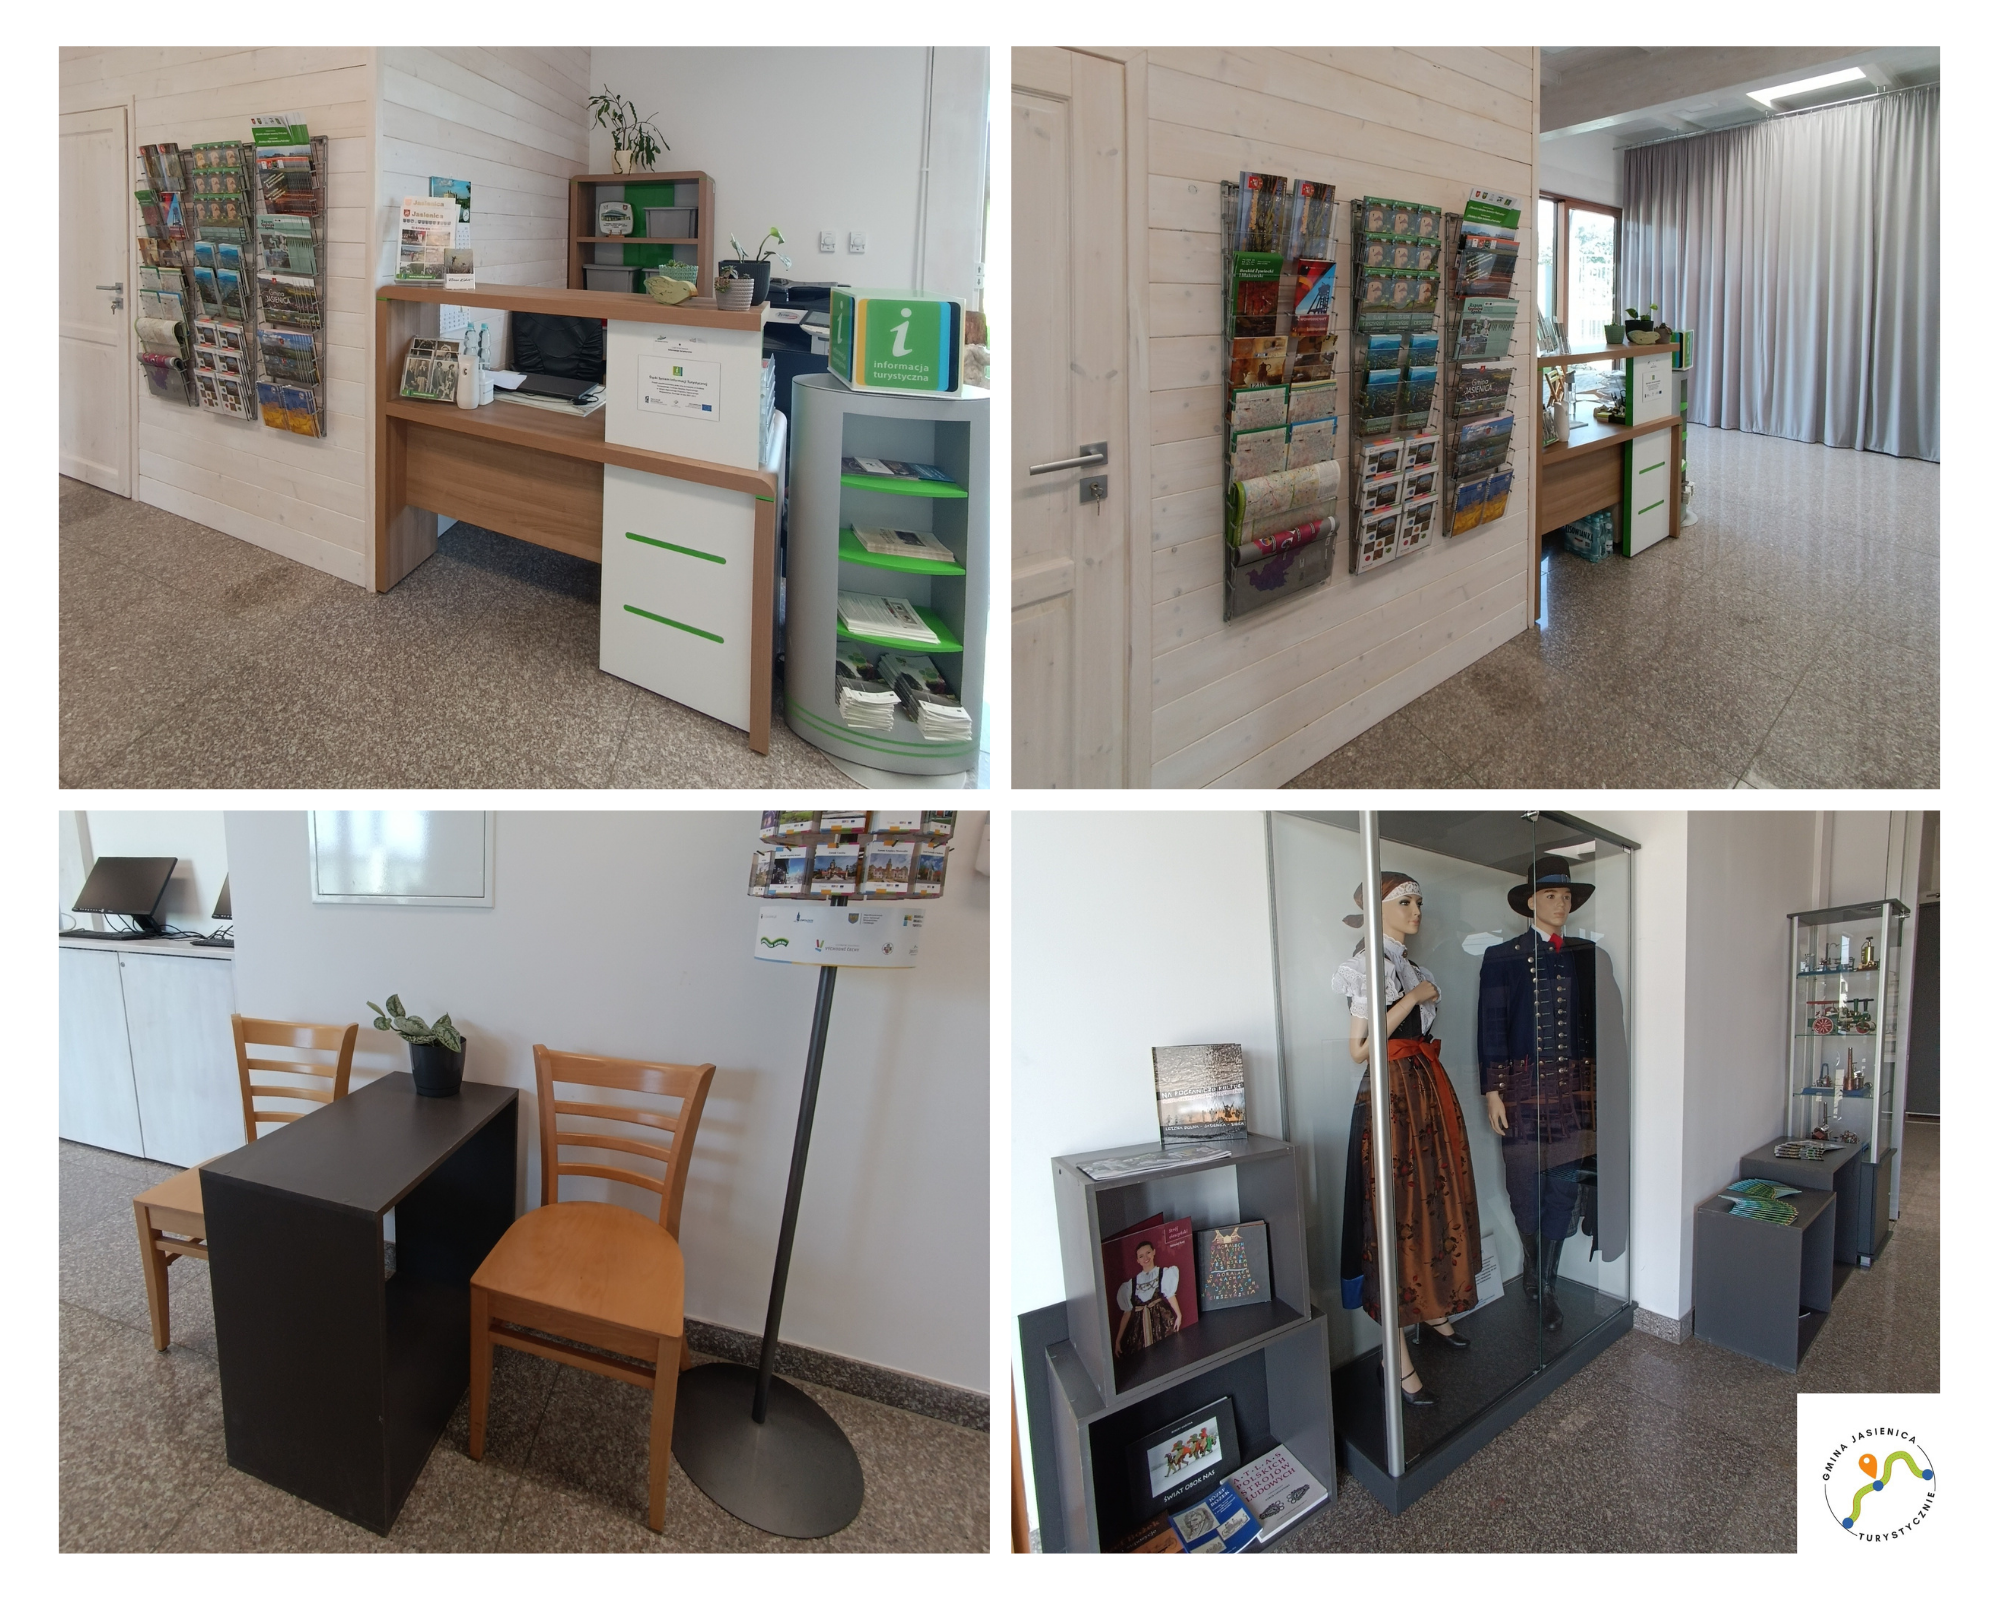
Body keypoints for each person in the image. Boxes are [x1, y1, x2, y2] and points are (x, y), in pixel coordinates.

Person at [1336, 872, 1483, 1406]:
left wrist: (1417, 991)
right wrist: (1413, 998)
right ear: (1379, 910)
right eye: (1405, 902)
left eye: (1418, 901)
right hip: (1391, 1095)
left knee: (1432, 1200)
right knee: (1396, 1212)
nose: (1416, 910)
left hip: (1423, 1090)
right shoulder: (1366, 967)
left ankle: (1433, 1309)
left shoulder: (1411, 966)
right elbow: (1359, 1049)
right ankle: (1393, 1354)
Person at [1477, 857, 1598, 1333]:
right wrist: (1492, 1090)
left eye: (1566, 897)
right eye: (1551, 896)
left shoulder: (1585, 955)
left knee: (1565, 1183)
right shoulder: (1502, 957)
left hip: (1573, 1093)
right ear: (1530, 902)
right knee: (1525, 1184)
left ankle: (1546, 1284)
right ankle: (1534, 1270)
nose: (1561, 904)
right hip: (1521, 1090)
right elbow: (1491, 1026)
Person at [1114, 1239, 1182, 1356]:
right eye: (1141, 1256)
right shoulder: (1131, 1284)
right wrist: (1118, 1340)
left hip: (1160, 1320)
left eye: (1148, 1253)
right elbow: (1127, 1313)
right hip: (1139, 1325)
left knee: (1166, 1352)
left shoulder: (1163, 1273)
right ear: (1137, 1260)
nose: (1145, 1258)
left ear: (1154, 1252)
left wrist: (1179, 1315)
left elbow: (1170, 1296)